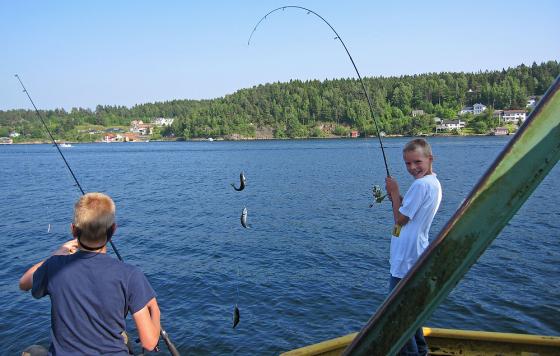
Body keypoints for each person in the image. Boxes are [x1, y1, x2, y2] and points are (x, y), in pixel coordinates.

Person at [19, 192, 161, 355]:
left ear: (73, 230)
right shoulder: (130, 274)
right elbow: (149, 343)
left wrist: (57, 253)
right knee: (124, 338)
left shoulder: (54, 266)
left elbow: (23, 283)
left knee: (33, 351)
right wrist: (155, 309)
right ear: (113, 230)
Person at [385, 138, 442, 356]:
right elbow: (407, 211)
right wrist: (394, 195)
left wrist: (395, 190)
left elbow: (400, 219)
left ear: (430, 159)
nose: (412, 168)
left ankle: (410, 354)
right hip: (414, 253)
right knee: (410, 310)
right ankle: (421, 349)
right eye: (407, 164)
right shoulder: (432, 183)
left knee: (396, 314)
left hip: (407, 259)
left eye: (417, 162)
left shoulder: (420, 185)